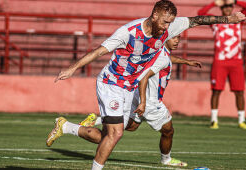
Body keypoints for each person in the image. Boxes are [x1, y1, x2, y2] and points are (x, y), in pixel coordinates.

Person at [47, 0, 246, 169]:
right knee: (116, 133)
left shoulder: (168, 28)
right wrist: (73, 68)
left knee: (110, 135)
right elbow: (99, 51)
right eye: (165, 22)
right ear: (154, 16)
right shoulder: (128, 32)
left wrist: (229, 19)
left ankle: (67, 127)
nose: (167, 28)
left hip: (129, 88)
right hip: (111, 84)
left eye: (170, 23)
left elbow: (199, 20)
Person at [80, 35, 201, 167]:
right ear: (165, 38)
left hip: (137, 97)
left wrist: (186, 62)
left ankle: (72, 126)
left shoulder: (158, 52)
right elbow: (144, 77)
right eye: (174, 38)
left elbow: (167, 59)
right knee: (168, 130)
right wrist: (143, 102)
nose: (177, 41)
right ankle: (166, 160)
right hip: (150, 102)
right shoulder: (160, 56)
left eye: (178, 38)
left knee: (128, 127)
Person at [197, 0, 246, 130]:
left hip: (236, 61)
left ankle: (241, 120)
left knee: (239, 91)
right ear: (221, 9)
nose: (227, 9)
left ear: (232, 8)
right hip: (220, 61)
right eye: (225, 6)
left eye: (229, 6)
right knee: (216, 91)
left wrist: (235, 0)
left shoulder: (238, 19)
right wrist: (215, 4)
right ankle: (214, 120)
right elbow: (200, 13)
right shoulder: (216, 21)